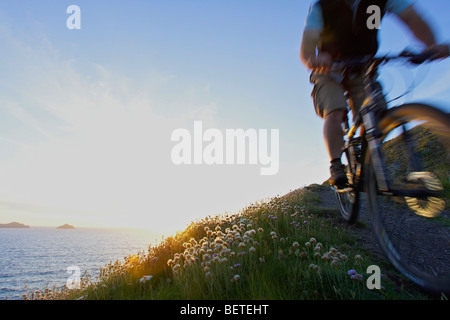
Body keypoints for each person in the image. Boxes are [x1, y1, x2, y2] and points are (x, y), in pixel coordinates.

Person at [300, 0, 449, 188]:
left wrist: (432, 45)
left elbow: (412, 18)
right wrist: (314, 58)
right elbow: (307, 48)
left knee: (377, 113)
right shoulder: (322, 7)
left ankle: (366, 161)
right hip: (329, 71)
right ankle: (336, 165)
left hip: (363, 68)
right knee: (335, 110)